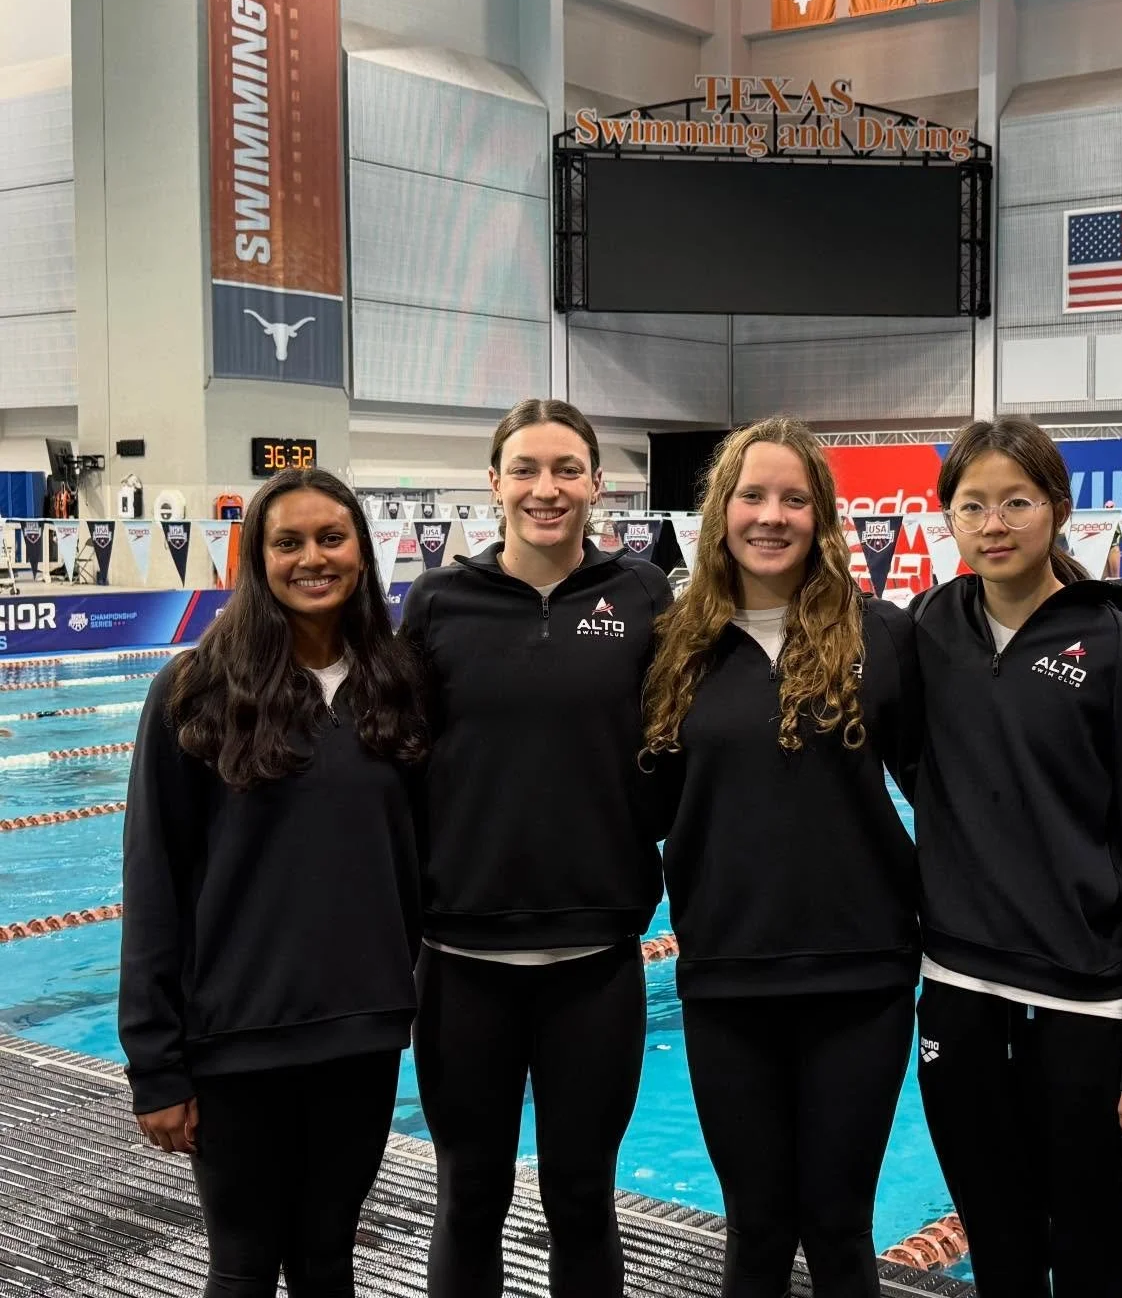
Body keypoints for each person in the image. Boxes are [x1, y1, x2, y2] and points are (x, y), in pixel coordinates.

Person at [118, 469, 428, 1298]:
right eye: (287, 543)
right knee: (244, 1267)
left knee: (328, 1261)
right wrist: (157, 1064)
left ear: (362, 552)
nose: (312, 558)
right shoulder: (195, 689)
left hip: (361, 1035)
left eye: (331, 538)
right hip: (237, 1040)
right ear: (256, 561)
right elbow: (153, 881)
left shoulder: (394, 685)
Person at [910, 418, 1122, 1298]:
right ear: (948, 518)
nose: (993, 525)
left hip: (1083, 1005)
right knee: (998, 1250)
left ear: (1059, 509)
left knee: (1094, 1255)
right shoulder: (930, 628)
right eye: (972, 506)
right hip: (957, 991)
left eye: (1017, 502)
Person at [642, 416, 921, 1298]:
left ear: (822, 516)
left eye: (794, 499)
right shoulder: (675, 646)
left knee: (839, 1228)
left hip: (862, 977)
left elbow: (950, 790)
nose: (771, 516)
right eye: (752, 496)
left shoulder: (881, 635)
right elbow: (636, 802)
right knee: (756, 1229)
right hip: (728, 977)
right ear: (720, 513)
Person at [402, 398, 672, 1298]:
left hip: (595, 960)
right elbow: (397, 759)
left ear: (597, 484)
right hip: (461, 960)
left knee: (584, 1198)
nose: (544, 489)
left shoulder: (642, 593)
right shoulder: (440, 601)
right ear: (493, 483)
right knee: (468, 1196)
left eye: (565, 470)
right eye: (524, 469)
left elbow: (681, 745)